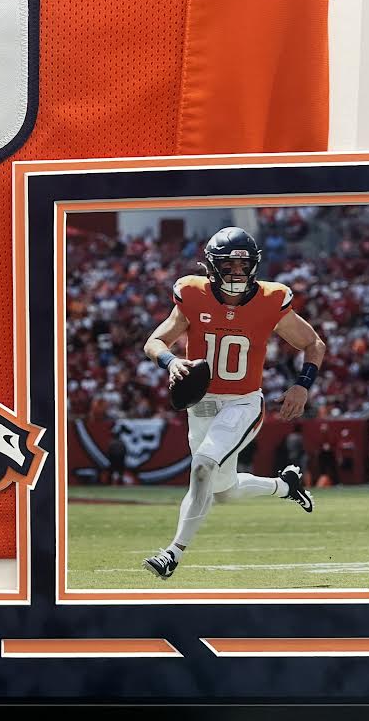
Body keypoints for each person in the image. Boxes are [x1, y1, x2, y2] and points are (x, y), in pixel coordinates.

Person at [141, 227, 326, 579]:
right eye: (229, 265)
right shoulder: (192, 294)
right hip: (201, 404)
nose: (238, 272)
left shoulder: (272, 298)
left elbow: (313, 343)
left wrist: (303, 385)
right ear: (213, 266)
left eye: (244, 265)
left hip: (242, 403)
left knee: (202, 467)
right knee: (222, 491)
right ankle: (285, 486)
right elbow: (155, 341)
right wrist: (171, 362)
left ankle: (172, 554)